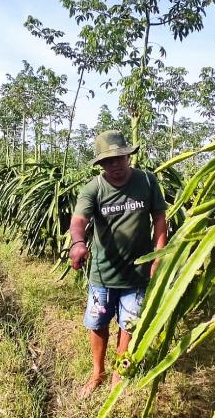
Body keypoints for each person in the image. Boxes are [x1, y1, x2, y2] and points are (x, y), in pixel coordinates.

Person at [69, 130, 168, 399]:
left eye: (119, 157)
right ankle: (97, 372)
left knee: (130, 324)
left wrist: (159, 254)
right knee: (98, 323)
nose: (114, 164)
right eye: (107, 161)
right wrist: (78, 242)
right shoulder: (94, 188)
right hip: (102, 273)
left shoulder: (147, 182)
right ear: (100, 164)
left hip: (138, 272)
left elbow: (159, 217)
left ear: (128, 155)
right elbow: (79, 221)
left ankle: (117, 373)